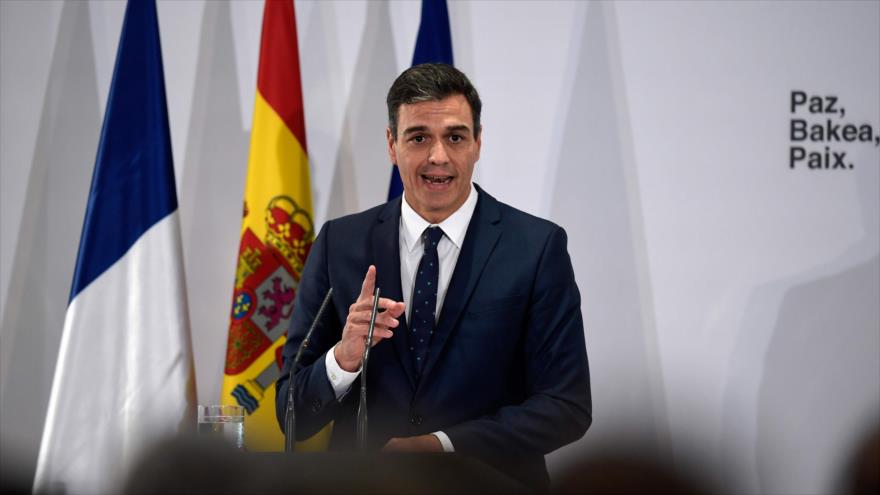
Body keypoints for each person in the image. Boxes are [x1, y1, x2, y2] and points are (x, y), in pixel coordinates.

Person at [275, 63, 591, 490]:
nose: (438, 156)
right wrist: (343, 360)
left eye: (455, 137)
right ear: (392, 144)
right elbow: (290, 413)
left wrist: (442, 445)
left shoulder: (535, 248)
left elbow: (567, 405)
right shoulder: (340, 243)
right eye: (419, 137)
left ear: (478, 143)